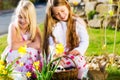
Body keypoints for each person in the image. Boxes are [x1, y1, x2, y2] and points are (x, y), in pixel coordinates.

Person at [43, 0, 89, 79]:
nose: (61, 15)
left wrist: (79, 50)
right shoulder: (54, 27)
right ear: (53, 15)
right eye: (57, 14)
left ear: (68, 7)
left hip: (74, 55)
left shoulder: (77, 22)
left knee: (80, 64)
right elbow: (51, 45)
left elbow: (85, 40)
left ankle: (80, 78)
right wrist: (55, 55)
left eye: (62, 11)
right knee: (57, 67)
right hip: (59, 56)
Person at [1, 0, 42, 79]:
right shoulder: (13, 26)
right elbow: (13, 46)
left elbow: (38, 45)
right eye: (20, 17)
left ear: (31, 18)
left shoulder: (34, 28)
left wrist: (21, 44)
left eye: (26, 18)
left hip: (29, 60)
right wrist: (29, 41)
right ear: (17, 15)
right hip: (17, 58)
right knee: (14, 52)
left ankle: (30, 73)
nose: (22, 21)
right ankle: (19, 75)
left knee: (34, 52)